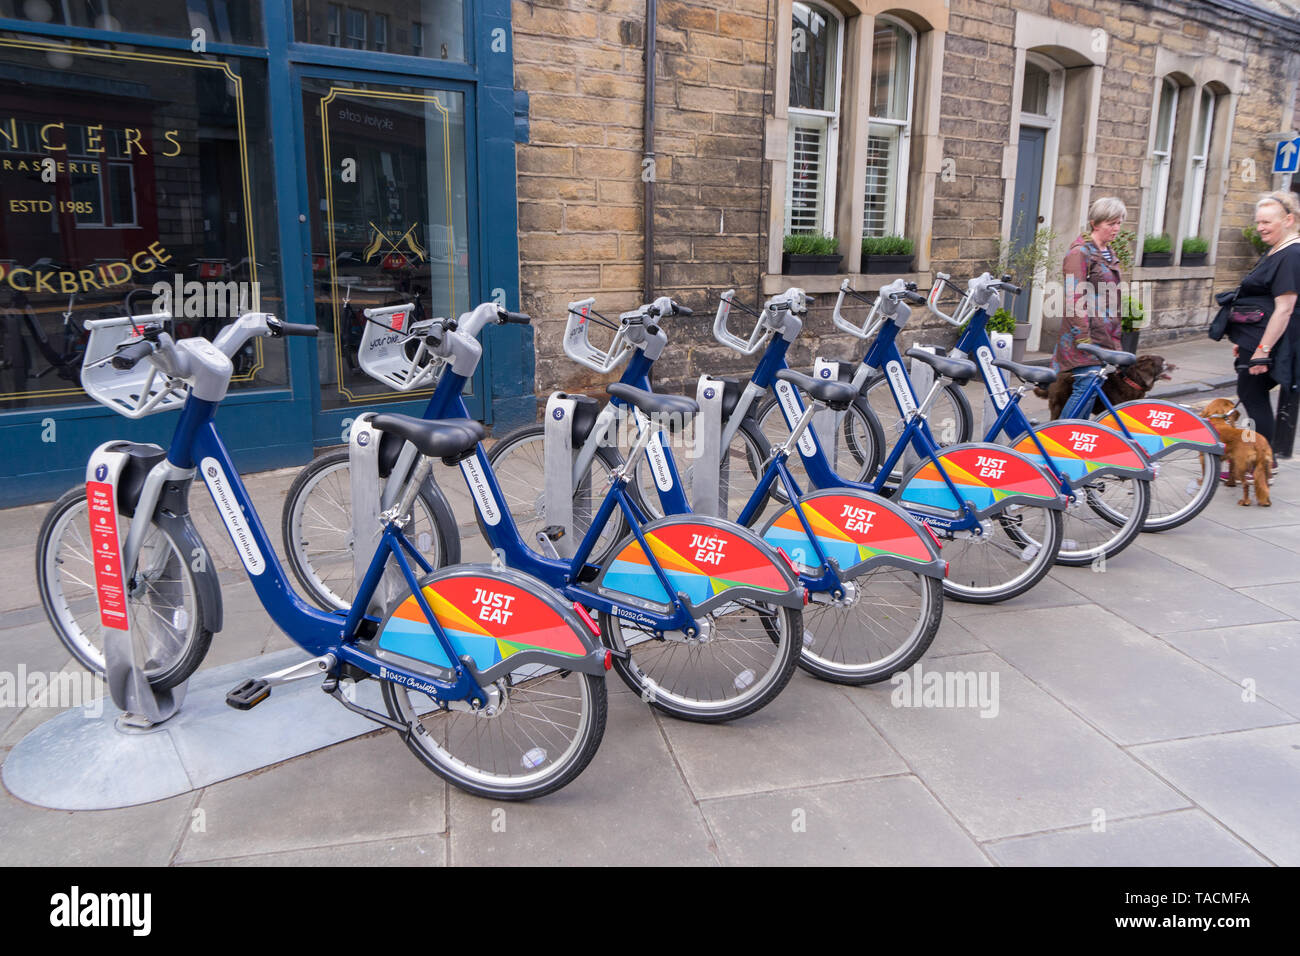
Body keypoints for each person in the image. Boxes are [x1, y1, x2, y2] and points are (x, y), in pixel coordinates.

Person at [1221, 191, 1300, 449]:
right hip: (1259, 340)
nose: (1260, 228)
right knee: (1253, 394)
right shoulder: (1277, 251)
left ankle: (1264, 464)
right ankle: (1265, 463)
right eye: (1258, 222)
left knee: (1252, 395)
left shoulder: (1290, 255)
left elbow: (1284, 309)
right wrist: (1246, 341)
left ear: (1288, 220)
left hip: (1272, 344)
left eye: (1267, 222)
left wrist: (1262, 350)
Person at [1052, 197, 1126, 416]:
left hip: (1103, 336)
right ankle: (1062, 438)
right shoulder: (1080, 253)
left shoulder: (1107, 253)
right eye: (1111, 224)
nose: (1116, 229)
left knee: (1091, 390)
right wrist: (1083, 339)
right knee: (1085, 387)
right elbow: (1075, 298)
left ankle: (1074, 440)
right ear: (1095, 223)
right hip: (1084, 337)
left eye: (1119, 223)